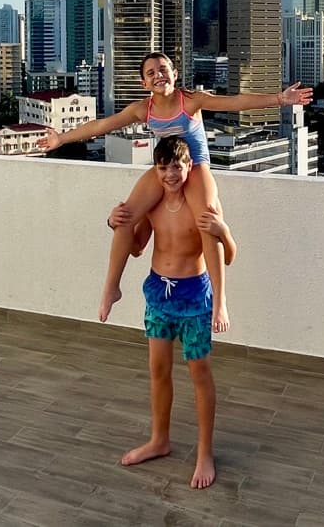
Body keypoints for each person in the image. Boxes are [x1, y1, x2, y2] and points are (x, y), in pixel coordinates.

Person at [37, 52, 311, 323]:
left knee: (207, 219)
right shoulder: (142, 109)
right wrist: (61, 139)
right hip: (167, 167)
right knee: (124, 215)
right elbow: (103, 125)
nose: (159, 75)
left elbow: (235, 102)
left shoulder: (191, 100)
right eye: (151, 73)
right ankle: (111, 287)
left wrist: (279, 99)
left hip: (196, 166)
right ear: (144, 83)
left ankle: (219, 301)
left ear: (175, 74)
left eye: (163, 69)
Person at [117, 136, 230, 489]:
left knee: (199, 374)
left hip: (195, 298)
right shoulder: (153, 207)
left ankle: (204, 451)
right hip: (158, 294)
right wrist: (114, 221)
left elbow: (228, 256)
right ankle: (159, 440)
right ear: (156, 169)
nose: (170, 174)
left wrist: (223, 232)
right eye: (163, 167)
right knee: (158, 371)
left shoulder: (203, 207)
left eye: (177, 166)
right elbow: (136, 248)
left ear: (189, 167)